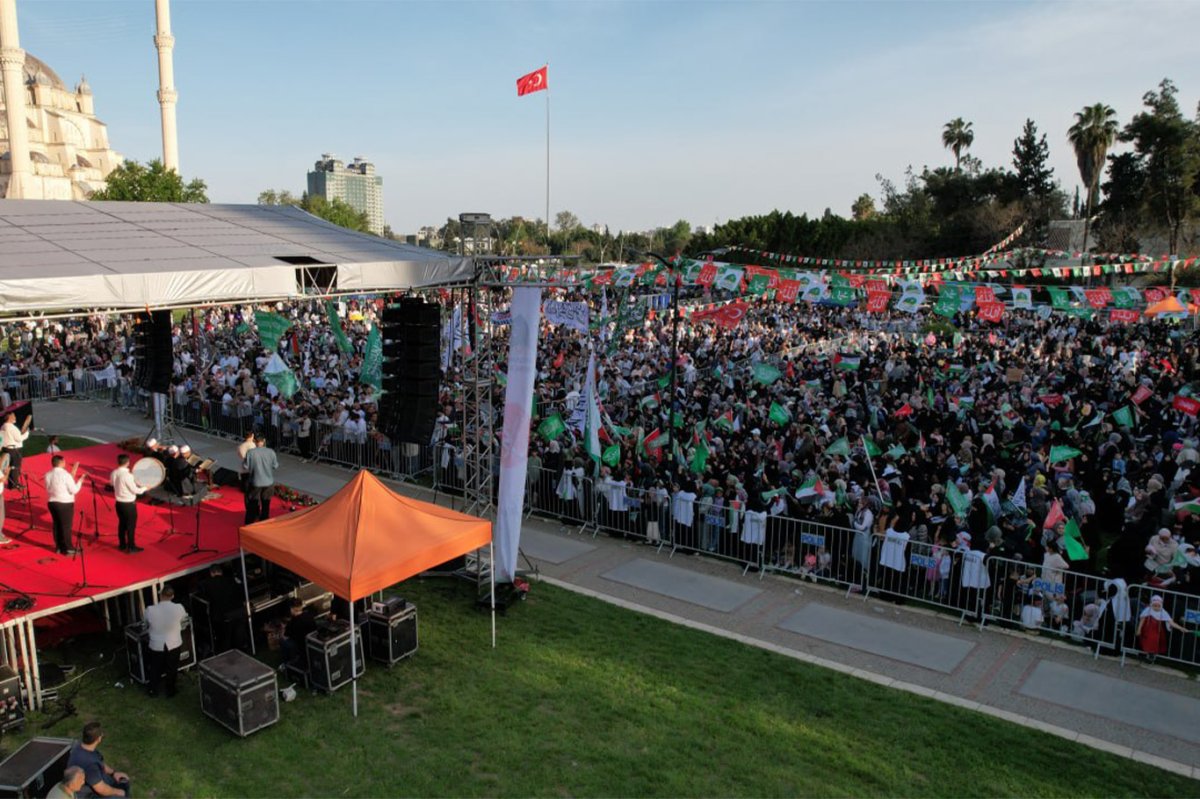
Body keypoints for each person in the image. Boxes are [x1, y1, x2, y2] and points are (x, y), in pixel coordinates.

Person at [68, 721, 131, 798]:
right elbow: (101, 789)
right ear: (99, 739)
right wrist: (119, 792)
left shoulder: (82, 746)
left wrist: (114, 773)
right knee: (121, 793)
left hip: (97, 781)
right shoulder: (89, 764)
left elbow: (100, 762)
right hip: (88, 795)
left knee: (124, 781)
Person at [143, 586, 186, 698]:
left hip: (157, 644)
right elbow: (184, 620)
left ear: (160, 595)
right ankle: (170, 691)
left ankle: (153, 690)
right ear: (172, 596)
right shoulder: (179, 608)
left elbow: (145, 623)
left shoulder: (150, 610)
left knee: (155, 668)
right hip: (174, 643)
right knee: (172, 668)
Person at [44, 455, 83, 555]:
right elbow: (74, 490)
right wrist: (80, 481)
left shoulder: (48, 474)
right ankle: (68, 548)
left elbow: (48, 489)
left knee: (57, 525)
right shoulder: (66, 475)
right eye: (64, 462)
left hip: (52, 502)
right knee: (66, 526)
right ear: (61, 463)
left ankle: (59, 547)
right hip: (65, 503)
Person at [109, 454, 146, 553]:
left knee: (122, 524)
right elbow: (136, 491)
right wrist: (146, 488)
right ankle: (131, 547)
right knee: (130, 526)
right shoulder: (128, 476)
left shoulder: (114, 472)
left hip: (119, 503)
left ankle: (122, 545)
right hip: (128, 504)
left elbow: (112, 484)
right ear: (127, 462)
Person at [1135, 594, 1188, 663]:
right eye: (1155, 606)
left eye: (1158, 606)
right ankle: (1143, 653)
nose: (1156, 608)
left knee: (1154, 641)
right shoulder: (1147, 610)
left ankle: (1151, 655)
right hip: (1146, 629)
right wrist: (1139, 629)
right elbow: (1142, 620)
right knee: (1144, 640)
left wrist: (1181, 628)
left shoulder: (1163, 612)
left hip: (1156, 630)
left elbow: (1171, 622)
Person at [243, 433, 277, 524]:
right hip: (268, 482)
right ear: (264, 441)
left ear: (255, 442)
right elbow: (275, 466)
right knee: (266, 503)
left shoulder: (250, 452)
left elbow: (246, 466)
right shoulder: (271, 452)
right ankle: (264, 520)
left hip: (256, 481)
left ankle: (250, 522)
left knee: (253, 503)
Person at [281, 597, 317, 671]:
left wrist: (283, 628)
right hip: (313, 644)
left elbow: (284, 636)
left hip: (301, 647)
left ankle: (287, 663)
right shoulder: (309, 616)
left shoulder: (292, 623)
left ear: (292, 609)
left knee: (283, 641)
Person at [1, 411, 30, 490]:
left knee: (10, 467)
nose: (15, 417)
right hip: (14, 450)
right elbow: (19, 439)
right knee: (15, 467)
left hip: (7, 449)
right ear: (9, 417)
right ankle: (14, 484)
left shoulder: (3, 426)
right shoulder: (11, 427)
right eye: (13, 416)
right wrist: (27, 433)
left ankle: (12, 483)